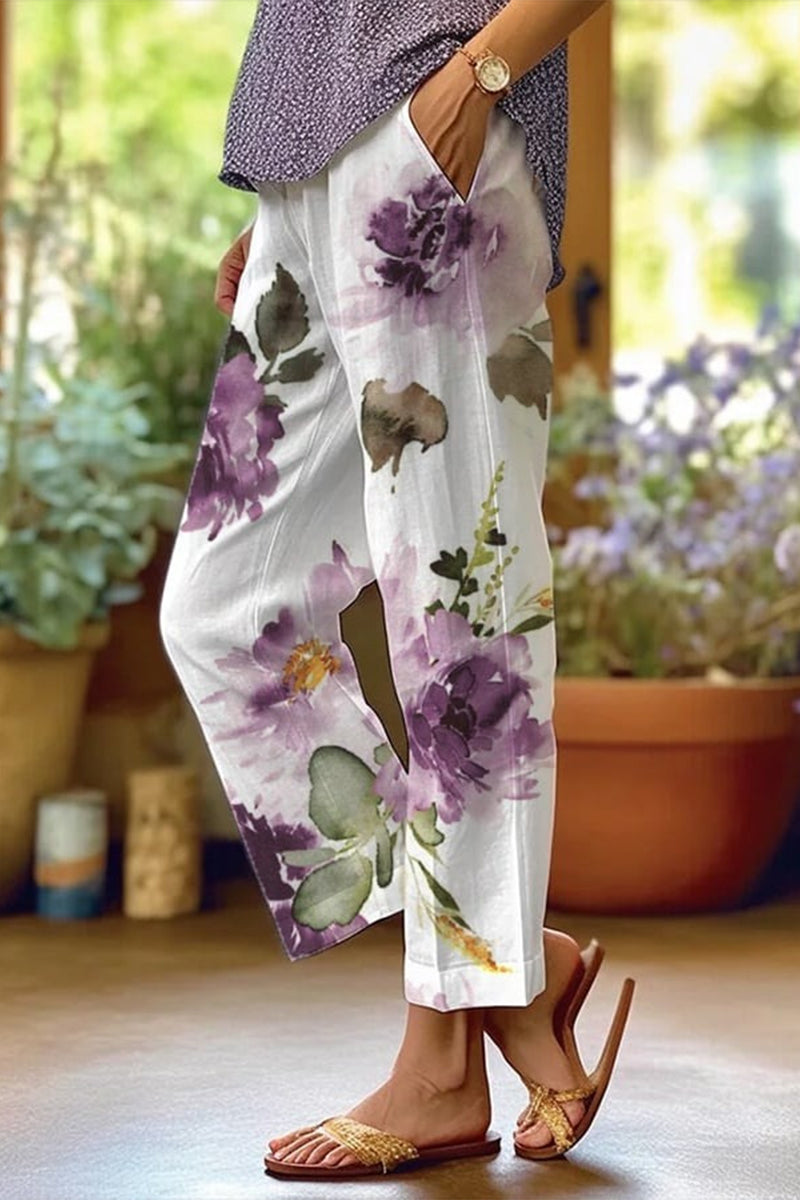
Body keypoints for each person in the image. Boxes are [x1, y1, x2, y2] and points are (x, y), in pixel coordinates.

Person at [159, 0, 635, 1181]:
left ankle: (440, 1063)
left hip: (438, 121)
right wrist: (288, 195)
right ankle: (500, 967)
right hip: (306, 158)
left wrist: (482, 74)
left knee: (459, 618)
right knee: (222, 609)